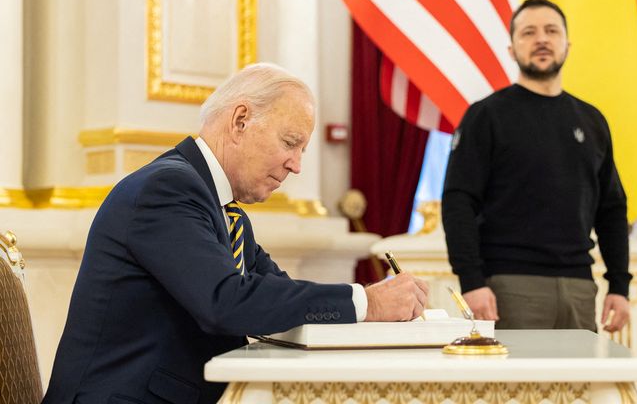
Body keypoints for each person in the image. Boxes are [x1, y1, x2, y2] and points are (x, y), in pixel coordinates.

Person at [43, 63, 429, 404]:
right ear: (240, 121)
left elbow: (275, 296)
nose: (296, 165)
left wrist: (364, 309)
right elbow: (226, 303)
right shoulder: (168, 190)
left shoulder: (226, 212)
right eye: (291, 143)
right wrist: (367, 303)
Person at [442, 0, 630, 333]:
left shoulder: (592, 121)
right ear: (512, 49)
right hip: (508, 287)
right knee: (516, 387)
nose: (541, 39)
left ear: (567, 46)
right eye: (528, 32)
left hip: (579, 287)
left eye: (551, 31)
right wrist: (471, 281)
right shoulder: (485, 116)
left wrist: (619, 286)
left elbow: (612, 210)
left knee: (578, 386)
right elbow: (458, 202)